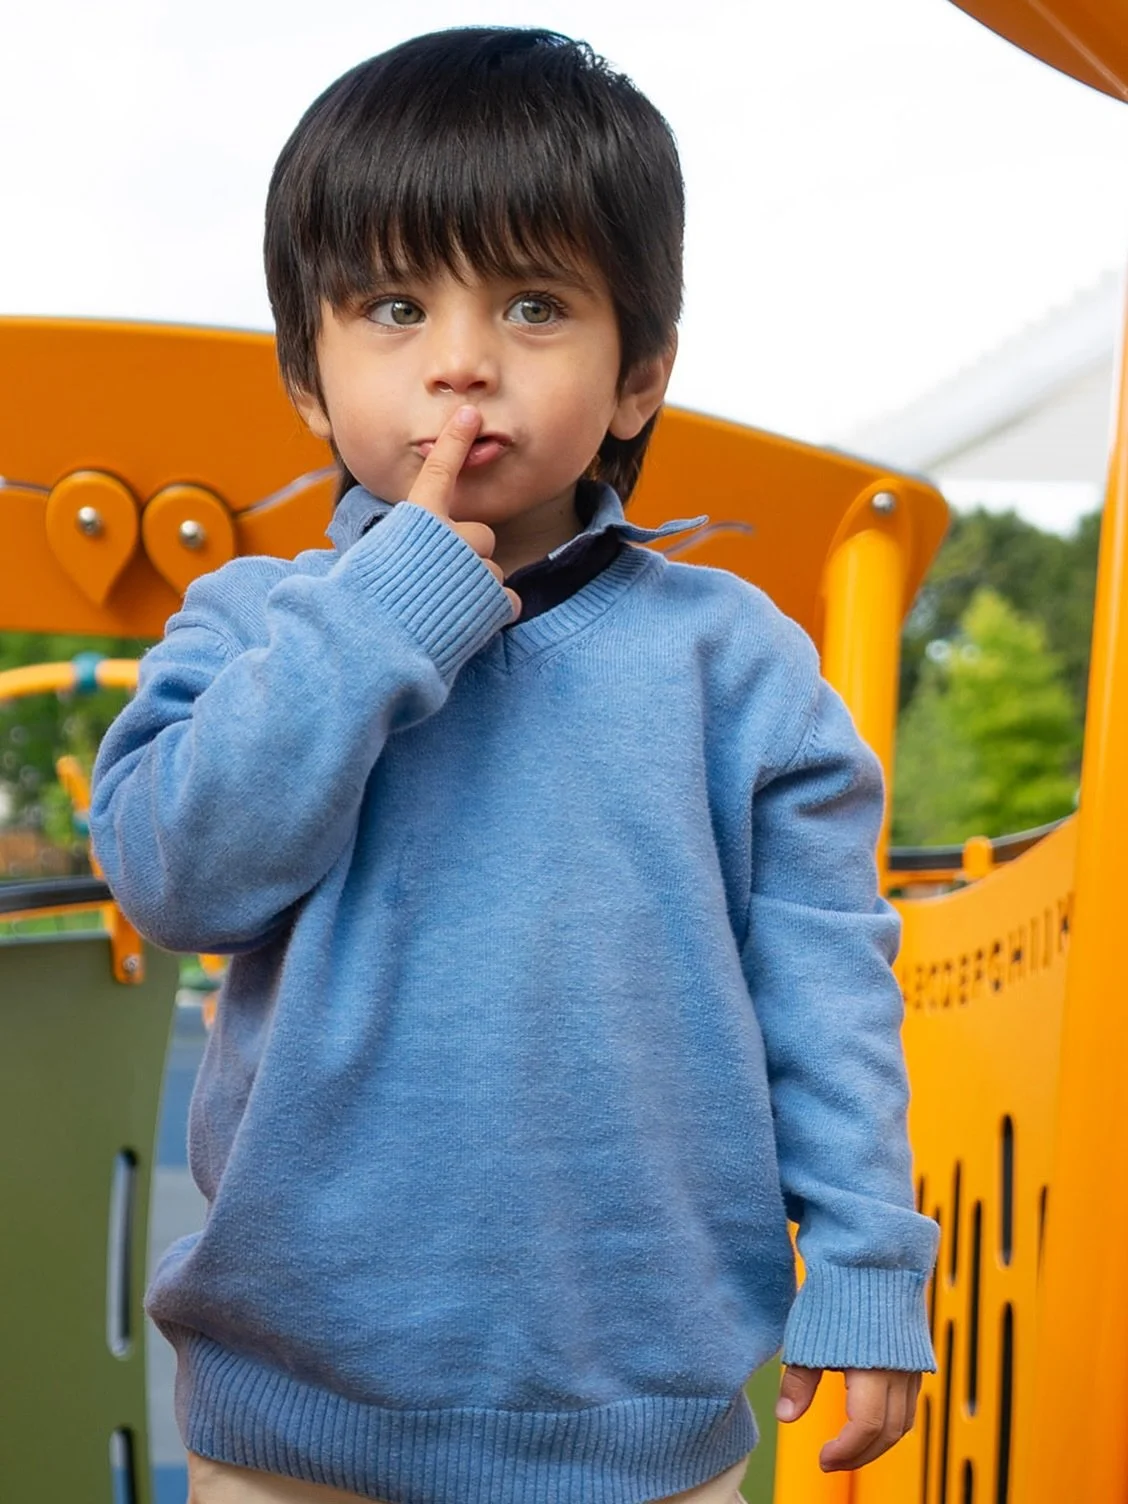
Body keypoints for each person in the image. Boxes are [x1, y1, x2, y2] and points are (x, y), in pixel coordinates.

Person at [90, 26, 939, 1504]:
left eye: (535, 304)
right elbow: (174, 873)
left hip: (642, 1423)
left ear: (638, 376)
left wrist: (867, 1254)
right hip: (295, 1415)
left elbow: (828, 975)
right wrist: (386, 611)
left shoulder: (734, 665)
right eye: (397, 306)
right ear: (309, 375)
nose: (463, 363)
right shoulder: (251, 626)